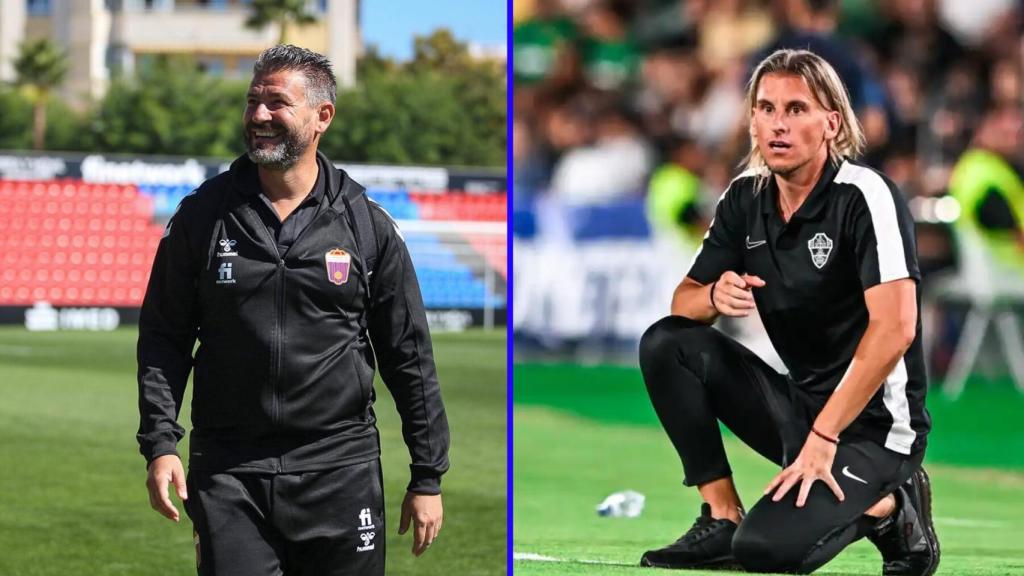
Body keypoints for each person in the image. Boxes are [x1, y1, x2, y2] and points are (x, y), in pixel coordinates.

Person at [136, 45, 449, 576]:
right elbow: (164, 337)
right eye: (253, 100)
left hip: (340, 470)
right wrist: (160, 443)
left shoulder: (365, 226)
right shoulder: (202, 216)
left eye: (276, 102)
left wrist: (427, 474)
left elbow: (408, 354)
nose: (258, 115)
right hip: (230, 472)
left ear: (321, 116)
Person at [637, 49, 938, 575]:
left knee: (767, 552)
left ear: (832, 123)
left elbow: (896, 329)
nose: (778, 124)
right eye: (766, 108)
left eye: (797, 109)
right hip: (801, 407)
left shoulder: (866, 196)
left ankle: (893, 507)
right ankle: (721, 515)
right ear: (751, 119)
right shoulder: (745, 198)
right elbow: (684, 302)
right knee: (668, 342)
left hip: (875, 427)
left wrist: (824, 439)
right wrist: (713, 297)